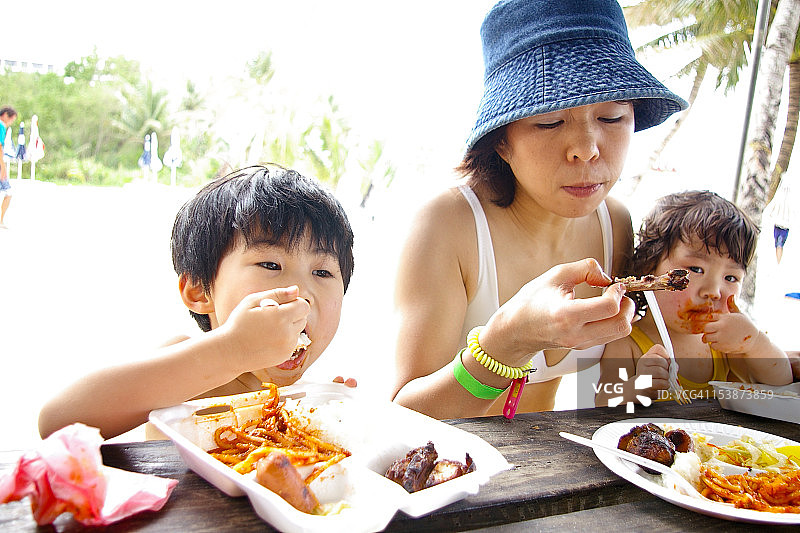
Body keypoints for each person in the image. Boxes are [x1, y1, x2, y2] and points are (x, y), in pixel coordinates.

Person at [390, 0, 687, 419]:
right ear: (500, 140)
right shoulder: (449, 225)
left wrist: (641, 385)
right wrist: (505, 344)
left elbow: (608, 394)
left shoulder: (615, 223)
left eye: (612, 117)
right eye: (549, 122)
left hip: (550, 458)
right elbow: (403, 415)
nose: (586, 149)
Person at [38, 165, 356, 439]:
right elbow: (58, 422)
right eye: (270, 265)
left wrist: (332, 424)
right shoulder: (186, 364)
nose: (301, 294)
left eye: (323, 272)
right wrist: (232, 350)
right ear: (200, 292)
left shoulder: (305, 399)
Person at [595, 191, 792, 407]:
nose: (713, 291)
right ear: (650, 269)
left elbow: (780, 383)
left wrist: (754, 343)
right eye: (696, 269)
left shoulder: (724, 343)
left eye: (730, 278)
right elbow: (603, 403)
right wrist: (639, 386)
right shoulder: (626, 341)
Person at [0, 106, 18, 228]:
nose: (11, 122)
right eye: (12, 119)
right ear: (6, 115)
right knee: (8, 192)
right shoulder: (1, 126)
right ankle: (0, 220)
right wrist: (3, 167)